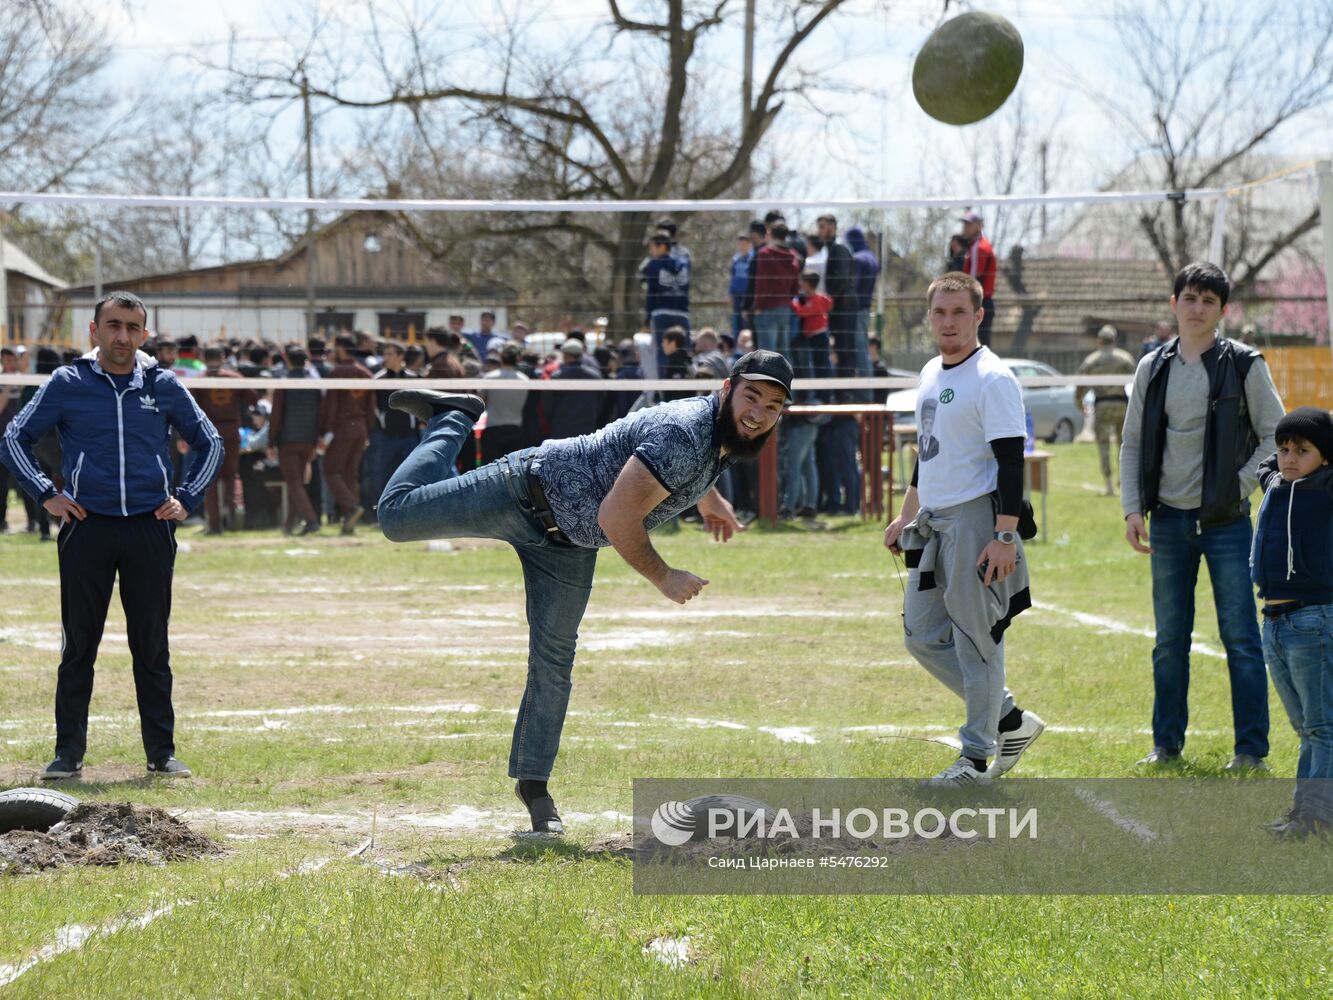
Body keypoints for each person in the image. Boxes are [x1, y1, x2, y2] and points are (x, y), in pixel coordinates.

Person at [377, 351, 792, 832]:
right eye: (752, 396)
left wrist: (711, 500)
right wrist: (664, 575)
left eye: (773, 406)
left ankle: (534, 788)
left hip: (568, 544)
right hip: (522, 492)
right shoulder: (685, 432)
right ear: (726, 389)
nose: (758, 413)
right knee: (396, 516)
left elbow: (679, 468)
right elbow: (616, 517)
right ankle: (455, 417)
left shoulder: (720, 434)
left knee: (554, 663)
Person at [0, 291, 222, 780]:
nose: (122, 336)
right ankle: (68, 754)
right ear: (94, 331)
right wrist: (45, 494)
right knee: (79, 645)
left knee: (152, 645)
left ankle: (161, 753)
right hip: (86, 527)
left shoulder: (163, 384)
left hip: (150, 526)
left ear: (145, 335)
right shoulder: (67, 382)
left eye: (132, 328)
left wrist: (186, 497)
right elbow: (14, 437)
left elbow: (211, 441)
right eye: (114, 326)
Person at [1119, 261, 1285, 770]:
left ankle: (1251, 751)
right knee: (1170, 641)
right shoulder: (1153, 366)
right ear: (1174, 304)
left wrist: (1235, 486)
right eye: (1189, 298)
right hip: (1167, 521)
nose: (1197, 308)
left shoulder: (1243, 364)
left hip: (1227, 523)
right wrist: (1132, 507)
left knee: (1240, 637)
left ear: (1222, 310)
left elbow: (1276, 437)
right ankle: (1166, 745)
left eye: (1208, 301)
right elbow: (1131, 442)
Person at [884, 272, 1045, 786]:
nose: (948, 321)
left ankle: (975, 759)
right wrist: (906, 514)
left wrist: (1003, 537)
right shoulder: (932, 370)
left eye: (959, 312)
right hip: (933, 522)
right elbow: (925, 454)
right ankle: (1009, 720)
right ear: (929, 316)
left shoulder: (993, 378)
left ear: (979, 316)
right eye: (939, 312)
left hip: (977, 522)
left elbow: (1012, 463)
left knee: (979, 643)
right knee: (923, 636)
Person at [1250, 407, 1333, 839]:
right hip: (1275, 623)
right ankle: (1304, 811)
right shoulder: (1276, 484)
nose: (1289, 458)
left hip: (1313, 620)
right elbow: (1266, 461)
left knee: (1322, 727)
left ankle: (1317, 820)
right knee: (1305, 728)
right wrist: (1284, 444)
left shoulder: (1327, 488)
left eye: (1303, 451)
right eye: (1284, 449)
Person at [192, 345, 258, 534]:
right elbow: (253, 398)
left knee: (209, 478)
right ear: (222, 358)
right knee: (232, 474)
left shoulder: (198, 380)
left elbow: (189, 408)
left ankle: (214, 525)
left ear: (204, 359)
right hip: (232, 431)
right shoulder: (235, 378)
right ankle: (237, 506)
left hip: (209, 432)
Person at [319, 333, 377, 534]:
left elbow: (331, 407)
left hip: (342, 429)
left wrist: (325, 432)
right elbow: (371, 408)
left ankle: (351, 507)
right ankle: (349, 522)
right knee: (350, 475)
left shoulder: (337, 372)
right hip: (360, 429)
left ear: (341, 349)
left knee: (330, 471)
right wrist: (367, 432)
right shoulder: (366, 373)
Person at [1075, 325, 1137, 496]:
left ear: (1099, 340)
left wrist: (1079, 402)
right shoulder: (1125, 358)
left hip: (1102, 405)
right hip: (1121, 405)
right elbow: (1138, 379)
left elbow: (1080, 383)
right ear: (1115, 340)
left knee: (1103, 445)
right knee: (1123, 445)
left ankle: (1109, 485)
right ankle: (1124, 483)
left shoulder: (1091, 360)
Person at [268, 346, 323, 535]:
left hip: (289, 441)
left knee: (293, 482)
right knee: (297, 482)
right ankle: (289, 524)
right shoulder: (314, 382)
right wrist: (317, 439)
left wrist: (270, 442)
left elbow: (275, 416)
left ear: (287, 360)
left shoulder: (284, 383)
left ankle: (311, 520)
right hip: (308, 439)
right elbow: (320, 413)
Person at [367, 341, 420, 515]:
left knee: (411, 477)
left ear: (400, 356)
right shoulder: (378, 379)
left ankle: (411, 513)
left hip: (410, 437)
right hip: (386, 436)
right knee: (384, 476)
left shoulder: (414, 379)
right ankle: (383, 513)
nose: (386, 358)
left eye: (390, 354)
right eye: (385, 354)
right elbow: (372, 406)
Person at [750, 222, 800, 355]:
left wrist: (759, 307)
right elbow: (795, 287)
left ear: (770, 234)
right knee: (784, 353)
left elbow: (762, 283)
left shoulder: (765, 253)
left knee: (766, 354)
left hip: (767, 308)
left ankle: (766, 376)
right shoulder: (793, 255)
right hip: (785, 308)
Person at [542, 339, 608, 440]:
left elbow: (547, 406)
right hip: (587, 430)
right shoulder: (595, 376)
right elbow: (600, 401)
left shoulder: (557, 376)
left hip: (561, 429)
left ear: (565, 355)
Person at [479, 341, 530, 463]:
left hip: (493, 429)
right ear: (518, 358)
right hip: (515, 429)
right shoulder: (525, 380)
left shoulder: (489, 377)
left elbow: (481, 401)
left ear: (501, 357)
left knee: (490, 472)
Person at [790, 270, 835, 403]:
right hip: (813, 337)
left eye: (802, 281)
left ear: (808, 283)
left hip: (819, 337)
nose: (800, 284)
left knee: (822, 367)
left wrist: (793, 302)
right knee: (816, 366)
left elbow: (801, 312)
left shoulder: (816, 300)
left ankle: (824, 397)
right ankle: (819, 395)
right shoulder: (817, 298)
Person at [959, 211, 997, 347]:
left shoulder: (979, 247)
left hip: (979, 302)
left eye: (969, 224)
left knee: (978, 345)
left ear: (980, 226)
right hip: (982, 302)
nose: (965, 228)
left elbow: (973, 281)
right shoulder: (977, 246)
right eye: (964, 224)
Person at [728, 234, 751, 338]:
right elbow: (732, 277)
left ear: (748, 245)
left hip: (747, 296)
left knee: (746, 322)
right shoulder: (735, 259)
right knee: (736, 322)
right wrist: (730, 294)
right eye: (740, 244)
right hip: (736, 295)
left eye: (744, 244)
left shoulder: (752, 259)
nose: (742, 246)